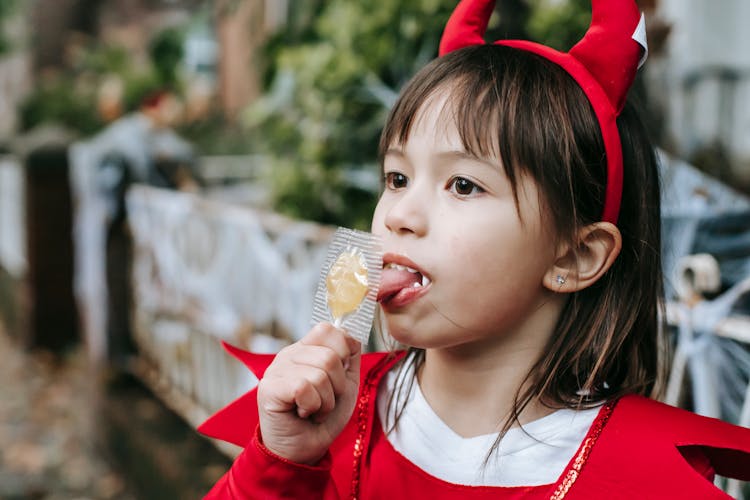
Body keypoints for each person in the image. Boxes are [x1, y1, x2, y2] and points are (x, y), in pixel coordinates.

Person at [199, 0, 750, 497]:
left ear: (574, 258)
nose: (400, 215)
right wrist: (280, 466)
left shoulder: (643, 482)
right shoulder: (319, 420)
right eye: (396, 178)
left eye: (463, 185)